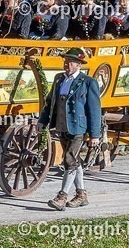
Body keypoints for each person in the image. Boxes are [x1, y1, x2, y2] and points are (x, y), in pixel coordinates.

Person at [38, 48, 101, 210]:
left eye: (70, 62)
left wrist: (95, 135)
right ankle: (81, 195)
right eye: (65, 61)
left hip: (78, 128)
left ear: (79, 65)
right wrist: (43, 121)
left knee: (69, 160)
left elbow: (94, 110)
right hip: (62, 126)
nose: (66, 64)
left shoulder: (88, 82)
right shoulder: (59, 79)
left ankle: (62, 196)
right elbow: (50, 102)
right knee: (74, 160)